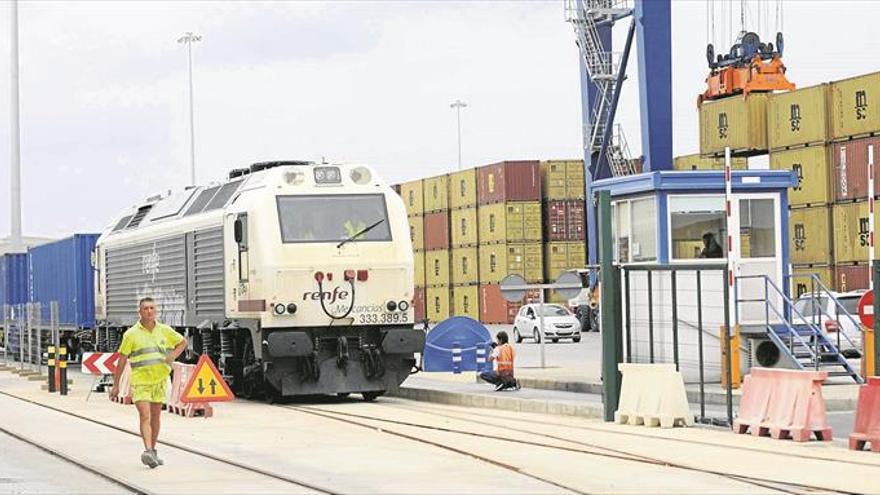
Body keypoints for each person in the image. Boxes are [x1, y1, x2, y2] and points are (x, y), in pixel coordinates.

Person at [110, 297, 187, 469]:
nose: (149, 311)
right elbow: (122, 360)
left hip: (159, 380)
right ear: (140, 312)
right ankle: (148, 450)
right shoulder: (130, 334)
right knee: (145, 415)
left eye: (152, 308)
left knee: (156, 417)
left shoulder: (164, 331)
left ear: (156, 311)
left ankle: (153, 450)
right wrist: (115, 385)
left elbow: (182, 342)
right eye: (145, 308)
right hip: (140, 381)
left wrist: (173, 355)